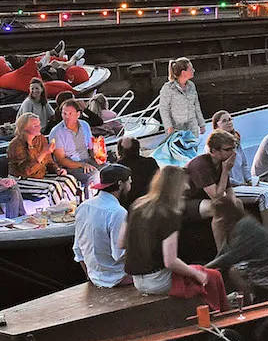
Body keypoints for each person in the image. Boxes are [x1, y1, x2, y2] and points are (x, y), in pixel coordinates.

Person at [123, 166, 227, 312]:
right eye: (184, 182)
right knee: (213, 276)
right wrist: (197, 274)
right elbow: (170, 261)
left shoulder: (137, 205)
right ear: (175, 185)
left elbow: (120, 242)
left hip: (138, 281)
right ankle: (220, 315)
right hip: (158, 280)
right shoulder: (169, 214)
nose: (187, 186)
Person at [207, 194, 268, 298]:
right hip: (258, 260)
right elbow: (224, 251)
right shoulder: (231, 226)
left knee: (235, 271)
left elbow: (234, 255)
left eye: (218, 216)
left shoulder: (245, 224)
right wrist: (208, 268)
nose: (217, 220)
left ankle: (247, 303)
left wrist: (207, 267)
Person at [72, 164, 131, 288]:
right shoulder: (118, 212)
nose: (130, 187)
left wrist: (91, 276)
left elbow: (78, 250)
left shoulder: (83, 207)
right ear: (120, 184)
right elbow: (119, 255)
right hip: (118, 278)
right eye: (129, 183)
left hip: (94, 277)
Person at [7, 112, 81, 204]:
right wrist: (43, 153)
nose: (40, 127)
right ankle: (58, 214)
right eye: (35, 125)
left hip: (39, 176)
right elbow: (27, 171)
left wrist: (57, 169)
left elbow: (49, 161)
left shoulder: (41, 139)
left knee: (69, 179)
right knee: (53, 187)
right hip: (21, 179)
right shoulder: (15, 145)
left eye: (39, 124)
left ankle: (74, 208)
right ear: (25, 128)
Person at [184, 130, 239, 242]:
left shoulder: (221, 164)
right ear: (214, 151)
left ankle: (236, 243)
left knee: (238, 203)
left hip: (202, 199)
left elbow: (230, 192)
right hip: (185, 203)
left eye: (233, 148)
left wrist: (235, 207)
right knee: (219, 209)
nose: (233, 153)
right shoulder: (201, 165)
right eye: (228, 149)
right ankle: (222, 252)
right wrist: (225, 171)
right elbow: (216, 196)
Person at [47, 98, 99, 189]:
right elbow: (61, 160)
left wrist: (97, 156)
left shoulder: (84, 125)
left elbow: (91, 147)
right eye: (64, 113)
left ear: (78, 114)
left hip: (87, 160)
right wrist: (82, 165)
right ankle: (88, 200)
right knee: (94, 176)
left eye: (70, 113)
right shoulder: (57, 132)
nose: (67, 117)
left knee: (110, 169)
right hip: (70, 166)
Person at [157, 57, 206, 136]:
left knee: (193, 146)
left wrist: (201, 124)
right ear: (183, 73)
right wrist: (169, 127)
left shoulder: (191, 85)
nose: (193, 70)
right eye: (191, 69)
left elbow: (196, 105)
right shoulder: (168, 88)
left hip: (192, 126)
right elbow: (164, 109)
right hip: (176, 127)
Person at [116, 135, 156, 210]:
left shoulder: (117, 168)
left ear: (119, 152)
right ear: (138, 149)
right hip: (151, 203)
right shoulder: (151, 162)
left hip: (129, 207)